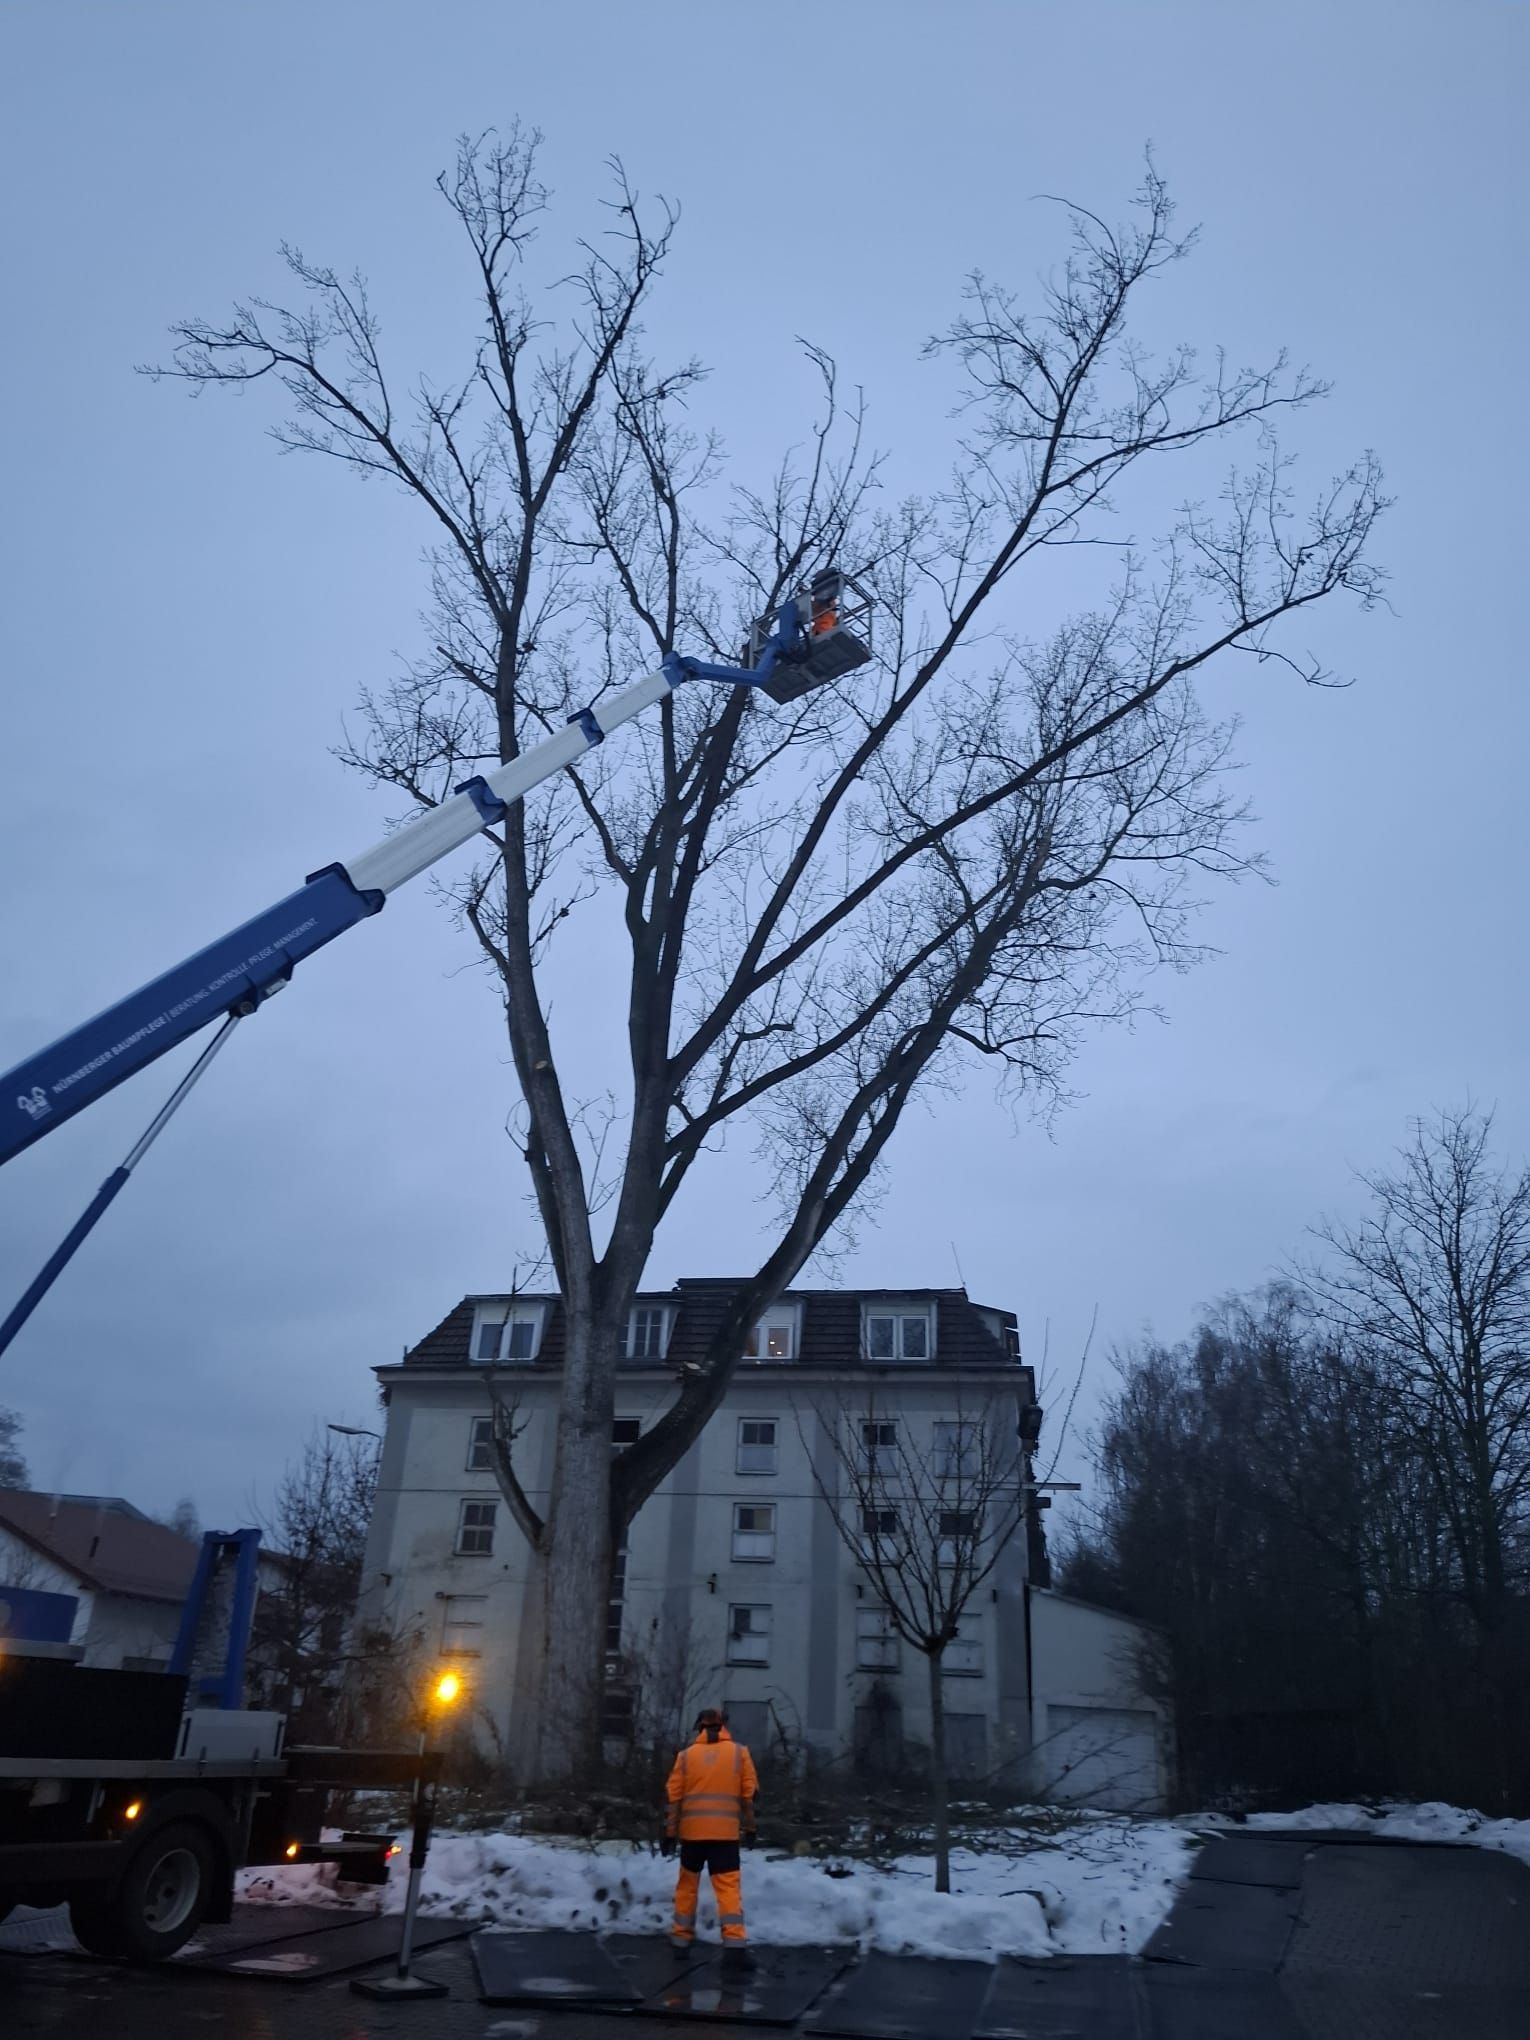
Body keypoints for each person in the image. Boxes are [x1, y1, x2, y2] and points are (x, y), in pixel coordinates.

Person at [661, 1706, 758, 1961]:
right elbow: (749, 1797)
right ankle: (735, 1947)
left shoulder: (685, 1757)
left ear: (700, 1726)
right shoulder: (740, 1753)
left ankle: (681, 1940)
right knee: (727, 1890)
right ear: (723, 1725)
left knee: (687, 1886)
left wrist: (670, 1833)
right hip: (724, 1837)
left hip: (692, 1836)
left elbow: (674, 1799)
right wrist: (750, 1828)